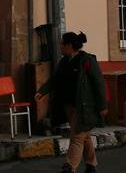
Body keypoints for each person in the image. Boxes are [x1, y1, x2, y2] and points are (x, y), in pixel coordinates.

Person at [36, 32, 108, 173]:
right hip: (68, 106)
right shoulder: (64, 62)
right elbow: (55, 79)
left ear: (69, 46)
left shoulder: (86, 60)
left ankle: (69, 167)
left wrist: (102, 105)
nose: (60, 46)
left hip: (84, 107)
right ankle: (91, 165)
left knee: (76, 136)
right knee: (84, 135)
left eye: (62, 43)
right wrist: (43, 90)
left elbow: (99, 83)